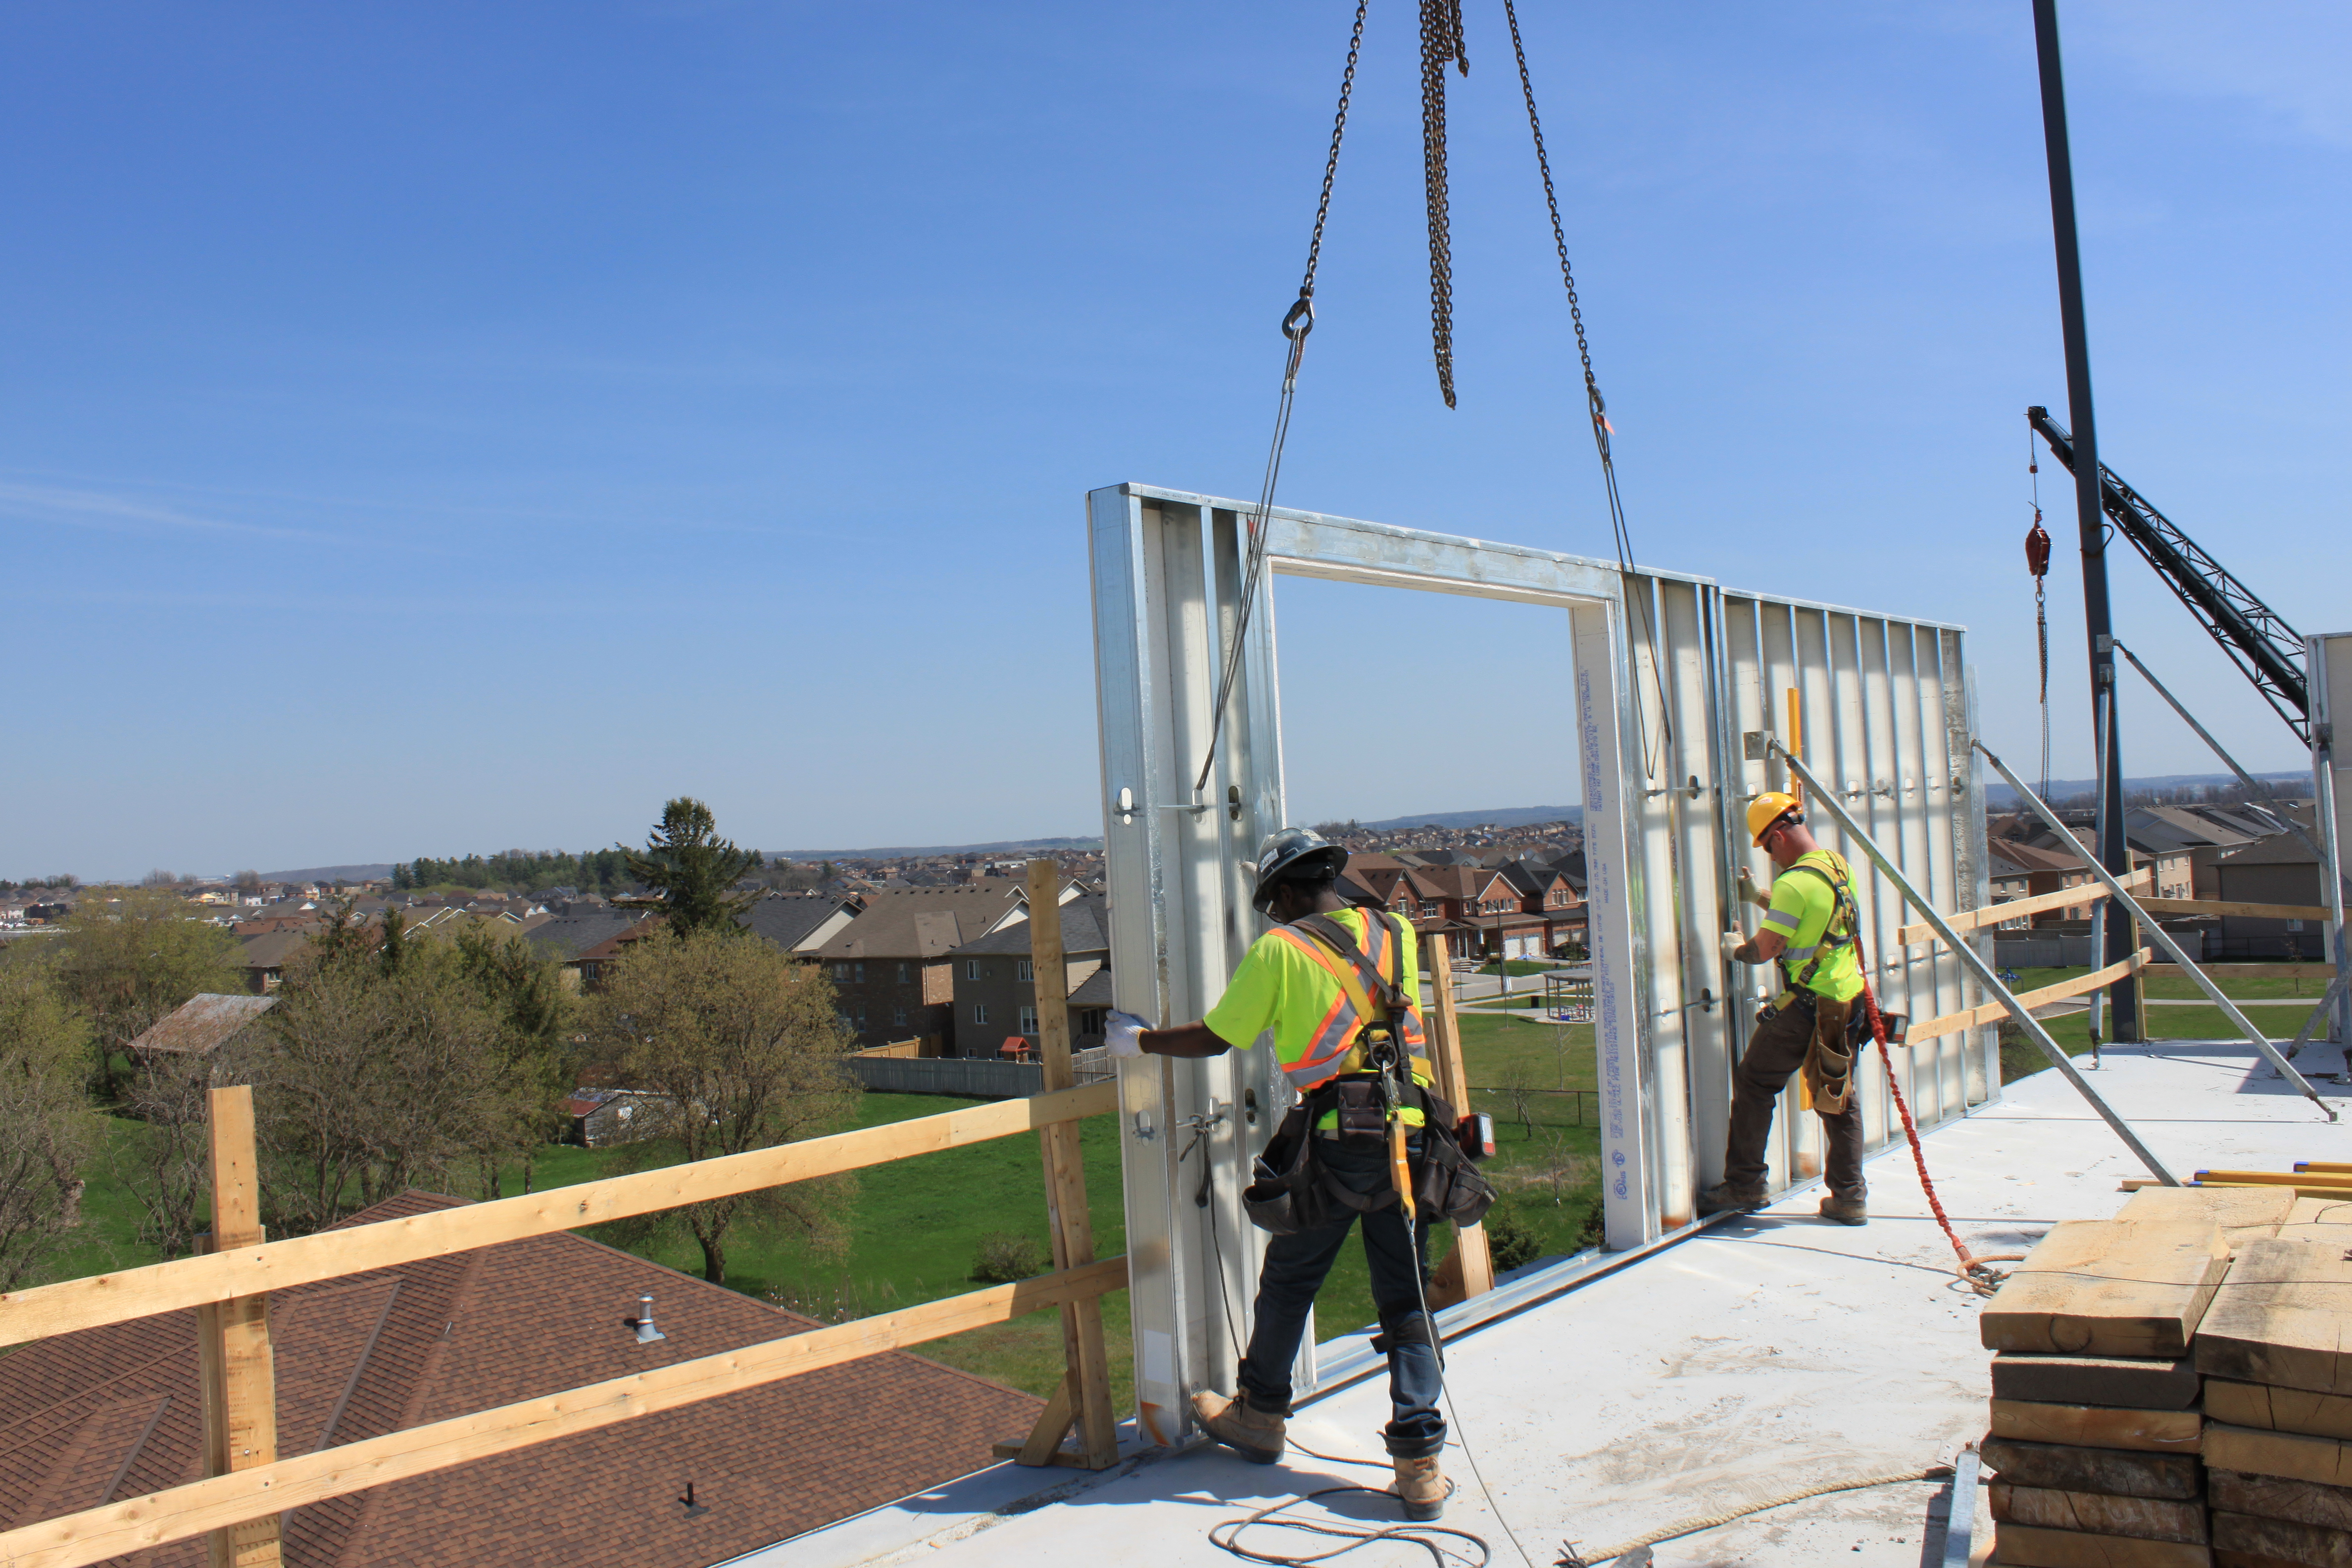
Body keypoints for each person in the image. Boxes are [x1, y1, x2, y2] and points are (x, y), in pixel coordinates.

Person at [1104, 826, 1452, 1521]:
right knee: (1405, 1296)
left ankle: (1260, 1416)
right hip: (1411, 1133)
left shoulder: (1281, 951)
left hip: (1337, 1140)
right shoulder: (1397, 932)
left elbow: (1217, 1036)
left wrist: (1138, 1041)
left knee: (1291, 1279)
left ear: (1288, 892)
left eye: (1274, 903)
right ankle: (1420, 1465)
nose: (1275, 915)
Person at [1696, 792, 1870, 1226]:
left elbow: (1764, 949)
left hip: (1806, 1008)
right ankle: (1850, 1197)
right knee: (1839, 1098)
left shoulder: (1794, 883)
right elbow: (1810, 913)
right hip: (1846, 1001)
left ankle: (1744, 1185)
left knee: (1755, 1082)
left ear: (1777, 836)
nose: (1770, 856)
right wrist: (1760, 897)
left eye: (1767, 847)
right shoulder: (1834, 864)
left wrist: (1735, 949)